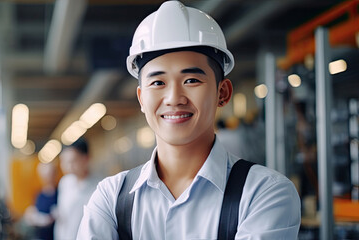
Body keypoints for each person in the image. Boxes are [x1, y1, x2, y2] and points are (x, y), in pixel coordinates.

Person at [77, 1, 301, 239]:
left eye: (191, 80)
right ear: (142, 99)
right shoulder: (111, 198)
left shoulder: (264, 193)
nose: (174, 98)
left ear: (222, 93)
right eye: (158, 82)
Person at [53, 137, 99, 240]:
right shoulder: (65, 182)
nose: (67, 166)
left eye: (72, 161)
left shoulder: (99, 185)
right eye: (63, 162)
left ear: (86, 159)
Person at [24, 162, 58, 240]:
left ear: (54, 174)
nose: (47, 178)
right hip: (41, 236)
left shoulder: (60, 193)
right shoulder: (39, 195)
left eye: (49, 174)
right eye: (44, 175)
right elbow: (34, 213)